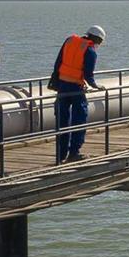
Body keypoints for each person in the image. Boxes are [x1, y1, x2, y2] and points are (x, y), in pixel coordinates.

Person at [52, 25, 105, 162]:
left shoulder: (69, 41)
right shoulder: (90, 50)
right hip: (76, 89)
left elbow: (58, 63)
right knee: (79, 120)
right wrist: (95, 85)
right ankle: (74, 153)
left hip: (62, 87)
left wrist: (56, 82)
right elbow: (88, 75)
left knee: (62, 122)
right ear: (97, 39)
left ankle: (60, 155)